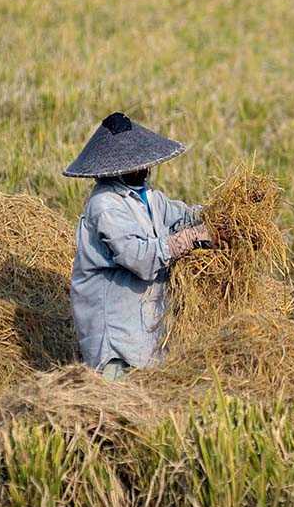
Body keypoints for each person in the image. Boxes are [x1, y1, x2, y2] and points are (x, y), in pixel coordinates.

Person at [63, 112, 213, 380]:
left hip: (145, 333)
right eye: (137, 163)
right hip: (116, 342)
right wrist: (192, 238)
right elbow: (141, 258)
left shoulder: (149, 197)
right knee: (117, 411)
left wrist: (223, 214)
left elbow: (183, 216)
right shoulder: (105, 205)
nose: (144, 167)